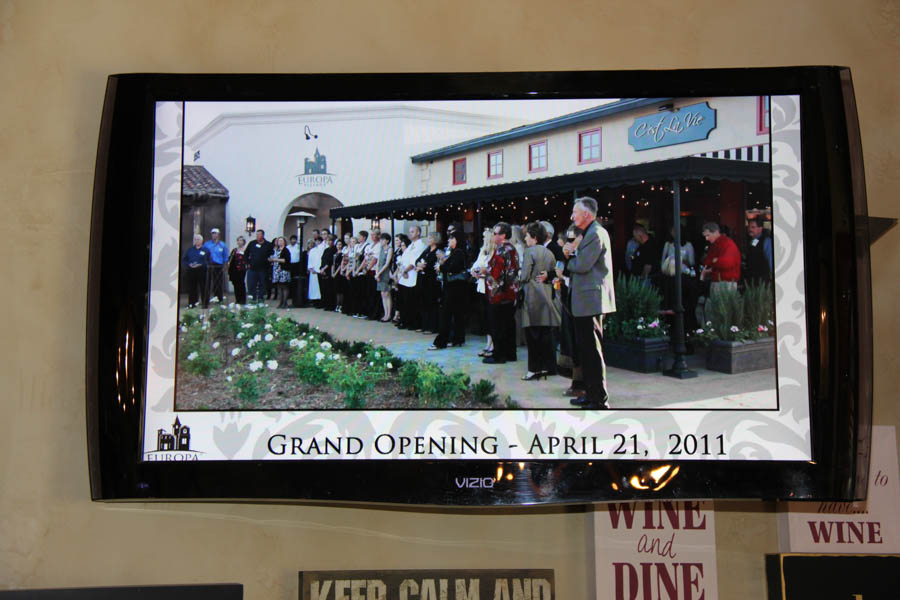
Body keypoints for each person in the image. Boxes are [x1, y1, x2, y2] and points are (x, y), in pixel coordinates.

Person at [565, 197, 616, 409]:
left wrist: (569, 255)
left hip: (591, 301)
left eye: (575, 212)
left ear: (586, 214)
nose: (572, 216)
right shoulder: (591, 232)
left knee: (592, 352)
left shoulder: (595, 233)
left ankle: (599, 399)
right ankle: (590, 392)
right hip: (585, 301)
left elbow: (583, 265)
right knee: (586, 350)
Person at [519, 222, 561, 380]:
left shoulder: (529, 252)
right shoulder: (549, 252)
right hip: (547, 294)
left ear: (534, 238)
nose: (525, 238)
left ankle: (534, 369)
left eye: (527, 235)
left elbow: (524, 276)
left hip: (532, 295)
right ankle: (547, 367)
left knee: (532, 334)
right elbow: (554, 272)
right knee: (545, 333)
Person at [479, 222, 519, 364]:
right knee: (509, 324)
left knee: (498, 325)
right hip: (511, 293)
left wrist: (484, 273)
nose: (494, 236)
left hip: (500, 294)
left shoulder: (501, 250)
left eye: (496, 233)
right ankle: (510, 353)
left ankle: (499, 355)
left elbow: (497, 274)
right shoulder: (512, 249)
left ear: (503, 235)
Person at [429, 230, 468, 350]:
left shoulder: (459, 252)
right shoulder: (453, 252)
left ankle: (441, 341)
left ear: (457, 240)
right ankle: (457, 338)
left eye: (451, 239)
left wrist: (441, 266)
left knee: (446, 314)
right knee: (457, 313)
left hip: (454, 288)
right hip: (453, 287)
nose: (449, 241)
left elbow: (453, 267)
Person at [660, 225, 698, 332]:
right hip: (671, 275)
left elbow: (692, 262)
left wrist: (681, 259)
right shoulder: (668, 245)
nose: (673, 234)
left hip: (684, 275)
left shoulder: (688, 245)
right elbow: (663, 261)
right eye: (672, 232)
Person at [470, 228, 496, 357]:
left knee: (491, 317)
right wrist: (474, 271)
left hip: (490, 287)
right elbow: (475, 265)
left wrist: (485, 272)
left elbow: (493, 269)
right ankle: (488, 343)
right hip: (481, 287)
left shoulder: (495, 251)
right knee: (484, 316)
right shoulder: (482, 251)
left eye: (485, 236)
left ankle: (493, 345)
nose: (483, 238)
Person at [396, 226, 425, 329]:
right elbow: (404, 259)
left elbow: (414, 261)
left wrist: (405, 270)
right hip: (404, 276)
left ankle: (412, 322)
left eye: (412, 232)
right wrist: (402, 270)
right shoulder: (410, 245)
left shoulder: (420, 245)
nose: (410, 233)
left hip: (412, 275)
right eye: (410, 232)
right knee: (404, 300)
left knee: (411, 301)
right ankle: (404, 320)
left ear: (418, 233)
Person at [700, 222, 740, 293]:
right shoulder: (713, 245)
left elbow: (726, 263)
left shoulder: (727, 243)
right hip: (717, 281)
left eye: (708, 235)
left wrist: (713, 262)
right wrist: (714, 261)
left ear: (716, 232)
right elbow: (706, 261)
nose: (706, 239)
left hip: (726, 283)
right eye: (705, 236)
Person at [416, 232, 441, 332]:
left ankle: (432, 326)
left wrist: (424, 266)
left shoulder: (437, 251)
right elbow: (418, 259)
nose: (428, 240)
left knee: (431, 302)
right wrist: (418, 264)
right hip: (423, 279)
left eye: (430, 238)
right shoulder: (426, 250)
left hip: (431, 280)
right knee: (423, 302)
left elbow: (434, 264)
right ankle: (424, 324)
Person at [182, 233, 210, 307]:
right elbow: (185, 260)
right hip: (192, 271)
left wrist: (201, 264)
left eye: (198, 239)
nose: (196, 241)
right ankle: (192, 303)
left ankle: (205, 303)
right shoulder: (190, 250)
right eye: (195, 239)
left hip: (202, 270)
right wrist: (189, 264)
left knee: (203, 287)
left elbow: (209, 260)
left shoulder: (206, 250)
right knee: (192, 287)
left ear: (201, 241)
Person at [244, 229, 271, 305]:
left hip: (263, 269)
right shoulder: (252, 243)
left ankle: (261, 300)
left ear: (263, 235)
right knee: (251, 284)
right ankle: (252, 300)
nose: (258, 236)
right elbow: (246, 254)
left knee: (262, 285)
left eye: (259, 234)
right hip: (252, 268)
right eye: (257, 234)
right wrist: (247, 263)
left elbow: (271, 255)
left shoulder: (268, 244)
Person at [744, 215, 773, 284]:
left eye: (753, 227)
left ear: (760, 229)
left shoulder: (766, 241)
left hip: (763, 280)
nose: (750, 229)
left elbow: (770, 259)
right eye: (749, 227)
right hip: (752, 279)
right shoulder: (752, 240)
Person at [203, 227, 228, 303]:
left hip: (218, 266)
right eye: (212, 233)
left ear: (218, 234)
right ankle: (206, 300)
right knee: (207, 283)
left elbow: (225, 256)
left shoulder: (222, 245)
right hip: (209, 265)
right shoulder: (207, 244)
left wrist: (225, 265)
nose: (214, 235)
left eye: (215, 233)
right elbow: (204, 254)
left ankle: (218, 299)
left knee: (218, 283)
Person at [374, 233, 394, 322]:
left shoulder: (390, 249)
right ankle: (385, 313)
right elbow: (378, 261)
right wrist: (376, 272)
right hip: (380, 272)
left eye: (383, 239)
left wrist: (380, 273)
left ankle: (388, 314)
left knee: (387, 293)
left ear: (387, 241)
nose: (381, 241)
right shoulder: (381, 248)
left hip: (386, 272)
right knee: (382, 293)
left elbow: (387, 263)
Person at [268, 236, 291, 308]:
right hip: (276, 270)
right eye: (279, 241)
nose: (280, 242)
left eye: (281, 241)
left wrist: (276, 259)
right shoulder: (276, 250)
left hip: (283, 270)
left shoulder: (286, 250)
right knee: (279, 286)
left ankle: (285, 302)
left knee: (284, 286)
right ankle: (280, 302)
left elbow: (285, 260)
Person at [226, 235, 248, 305]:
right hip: (234, 270)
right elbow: (230, 259)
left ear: (243, 242)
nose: (239, 242)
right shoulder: (234, 250)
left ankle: (243, 299)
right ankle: (237, 299)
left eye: (241, 240)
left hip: (241, 269)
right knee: (235, 284)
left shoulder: (245, 250)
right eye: (238, 240)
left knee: (241, 284)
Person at [319, 234, 337, 311]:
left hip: (329, 271)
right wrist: (321, 269)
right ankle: (326, 304)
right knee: (324, 289)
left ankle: (331, 305)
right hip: (323, 270)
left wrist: (324, 269)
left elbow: (330, 262)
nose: (329, 242)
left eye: (330, 240)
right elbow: (323, 260)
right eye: (328, 240)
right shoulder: (326, 250)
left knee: (330, 289)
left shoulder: (334, 249)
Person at [306, 233, 325, 306]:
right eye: (316, 241)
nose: (318, 243)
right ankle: (315, 301)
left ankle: (320, 301)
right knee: (313, 287)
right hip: (313, 270)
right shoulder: (312, 250)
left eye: (319, 241)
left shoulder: (322, 249)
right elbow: (310, 260)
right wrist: (311, 268)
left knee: (319, 287)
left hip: (319, 270)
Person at [287, 235, 303, 307]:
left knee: (295, 281)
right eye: (292, 239)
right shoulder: (287, 247)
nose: (293, 241)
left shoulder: (298, 247)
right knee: (289, 281)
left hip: (297, 265)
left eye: (294, 239)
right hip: (290, 264)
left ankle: (296, 296)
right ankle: (290, 295)